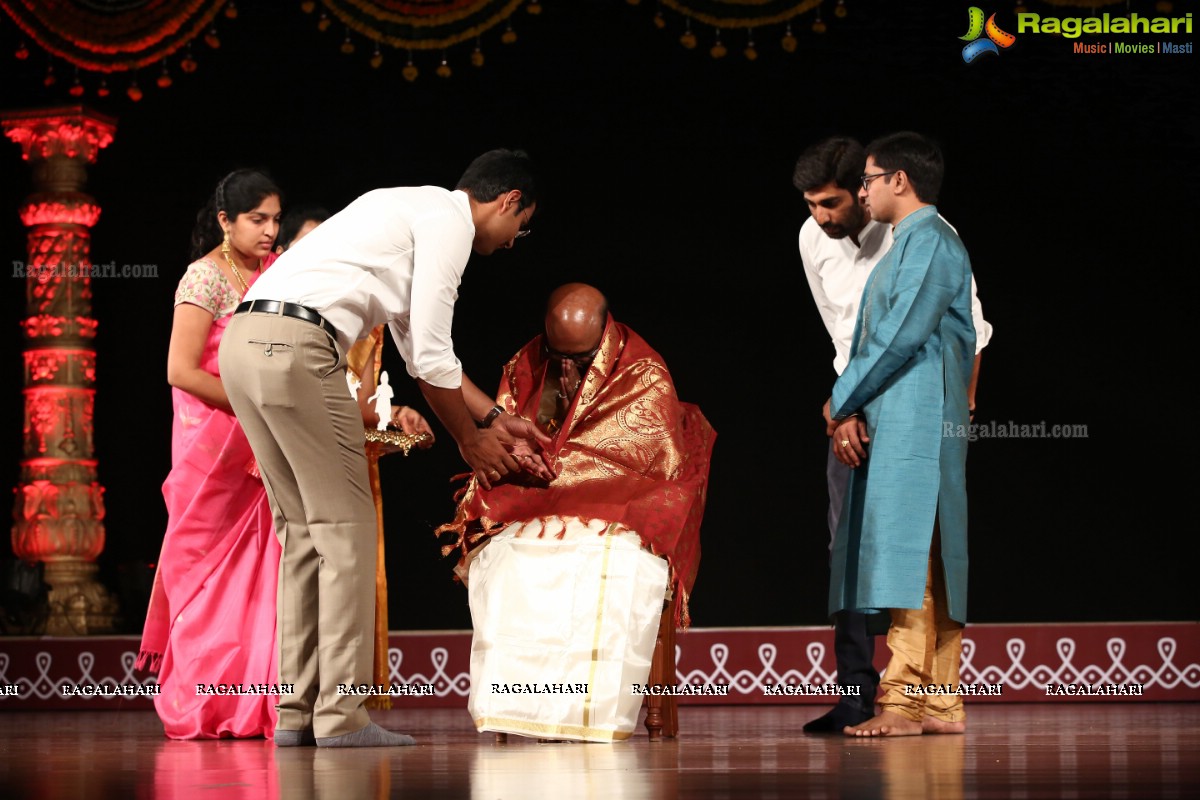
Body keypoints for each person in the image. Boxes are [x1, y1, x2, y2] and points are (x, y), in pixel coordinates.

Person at [217, 149, 554, 748]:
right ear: (507, 202)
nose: (511, 243)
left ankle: (296, 714)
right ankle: (342, 717)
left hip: (246, 341)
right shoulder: (449, 224)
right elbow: (429, 354)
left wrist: (495, 416)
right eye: (519, 228)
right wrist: (470, 441)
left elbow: (418, 352)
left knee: (302, 534)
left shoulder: (407, 206)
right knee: (346, 530)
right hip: (296, 345)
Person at [436, 283, 716, 742]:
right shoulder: (527, 364)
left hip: (621, 512)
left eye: (581, 361)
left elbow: (650, 464)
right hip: (541, 507)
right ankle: (519, 708)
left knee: (610, 566)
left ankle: (587, 713)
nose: (566, 370)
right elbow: (508, 446)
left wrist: (568, 466)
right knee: (508, 562)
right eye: (557, 356)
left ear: (605, 337)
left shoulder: (644, 372)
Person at [793, 136, 993, 734]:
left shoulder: (928, 241)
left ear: (897, 181)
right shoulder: (911, 242)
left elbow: (902, 336)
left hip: (914, 409)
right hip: (891, 405)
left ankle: (903, 701)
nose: (861, 191)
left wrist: (841, 400)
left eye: (869, 180)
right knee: (915, 551)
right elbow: (851, 337)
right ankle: (940, 700)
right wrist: (850, 402)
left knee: (910, 549)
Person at [137, 169, 283, 738]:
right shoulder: (204, 279)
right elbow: (180, 370)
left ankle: (261, 701)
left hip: (268, 443)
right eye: (258, 220)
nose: (271, 230)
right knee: (209, 574)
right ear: (226, 221)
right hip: (215, 443)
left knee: (264, 571)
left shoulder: (280, 272)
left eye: (276, 218)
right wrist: (251, 406)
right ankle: (206, 702)